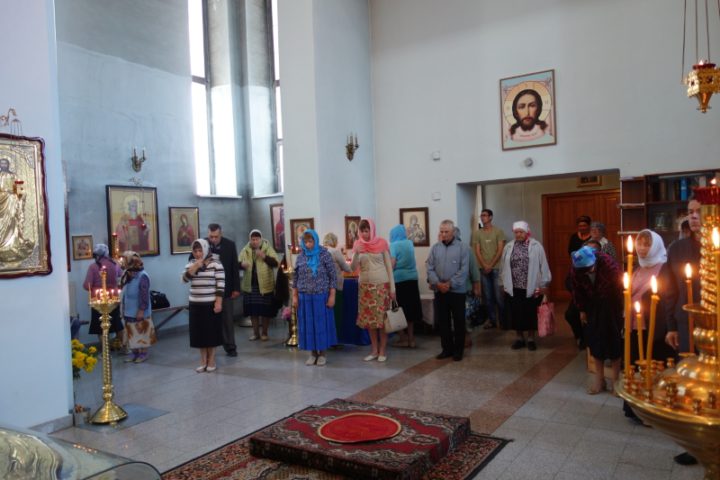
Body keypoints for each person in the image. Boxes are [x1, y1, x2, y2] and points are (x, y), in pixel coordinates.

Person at [661, 198, 702, 466]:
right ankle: (696, 444)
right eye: (690, 212)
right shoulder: (677, 249)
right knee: (691, 385)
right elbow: (670, 290)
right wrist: (671, 326)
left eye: (700, 211)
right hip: (686, 325)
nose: (694, 216)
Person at [623, 229, 674, 422]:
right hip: (633, 326)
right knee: (634, 367)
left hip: (653, 328)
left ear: (656, 246)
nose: (642, 248)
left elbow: (667, 299)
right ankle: (634, 410)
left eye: (647, 244)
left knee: (652, 368)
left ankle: (651, 412)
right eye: (640, 243)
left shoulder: (663, 268)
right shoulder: (637, 267)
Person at [569, 246, 623, 394]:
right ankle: (600, 380)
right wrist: (582, 310)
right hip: (591, 305)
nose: (588, 272)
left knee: (613, 341)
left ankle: (616, 381)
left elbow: (619, 289)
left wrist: (621, 310)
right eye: (584, 271)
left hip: (611, 304)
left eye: (590, 269)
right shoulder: (576, 267)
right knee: (595, 341)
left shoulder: (609, 264)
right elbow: (577, 290)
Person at [500, 221, 551, 351]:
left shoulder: (536, 246)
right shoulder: (509, 246)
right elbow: (503, 266)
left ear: (527, 232)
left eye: (521, 232)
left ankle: (531, 338)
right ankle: (519, 338)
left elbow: (543, 264)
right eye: (516, 232)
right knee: (516, 313)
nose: (518, 234)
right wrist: (502, 282)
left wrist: (544, 283)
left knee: (530, 313)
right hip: (514, 286)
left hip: (532, 286)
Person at [351, 218, 395, 362]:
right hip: (365, 287)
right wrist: (356, 253)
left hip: (381, 286)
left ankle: (382, 350)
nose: (365, 234)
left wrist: (392, 289)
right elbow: (352, 268)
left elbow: (389, 267)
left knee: (381, 321)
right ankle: (374, 350)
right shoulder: (357, 245)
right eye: (362, 231)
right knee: (370, 321)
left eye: (367, 231)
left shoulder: (382, 243)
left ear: (372, 230)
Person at [293, 229, 338, 366]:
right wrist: (295, 296)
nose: (308, 244)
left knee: (320, 325)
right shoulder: (301, 256)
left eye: (310, 241)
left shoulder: (324, 254)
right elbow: (295, 278)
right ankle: (313, 353)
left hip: (321, 296)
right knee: (309, 326)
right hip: (305, 297)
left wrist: (332, 295)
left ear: (315, 240)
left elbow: (333, 276)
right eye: (305, 242)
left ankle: (322, 353)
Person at [427, 220, 470, 361]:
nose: (444, 234)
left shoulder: (463, 247)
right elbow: (430, 268)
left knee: (458, 321)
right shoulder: (435, 248)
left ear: (453, 232)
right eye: (442, 231)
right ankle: (446, 349)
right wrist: (438, 283)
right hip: (440, 291)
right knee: (443, 321)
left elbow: (464, 270)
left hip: (457, 291)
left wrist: (449, 284)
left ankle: (458, 351)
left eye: (446, 231)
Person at [183, 239, 224, 372]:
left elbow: (220, 285)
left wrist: (218, 302)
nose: (198, 254)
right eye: (195, 251)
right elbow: (184, 279)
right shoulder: (191, 264)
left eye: (200, 250)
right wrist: (195, 266)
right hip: (195, 304)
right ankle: (202, 360)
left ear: (206, 250)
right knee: (199, 334)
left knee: (210, 334)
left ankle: (211, 360)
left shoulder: (216, 263)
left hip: (210, 304)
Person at [206, 223, 241, 356]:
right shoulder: (203, 244)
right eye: (211, 236)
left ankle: (230, 347)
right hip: (208, 289)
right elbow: (192, 259)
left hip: (226, 288)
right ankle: (210, 347)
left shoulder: (230, 245)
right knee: (209, 320)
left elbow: (234, 267)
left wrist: (236, 288)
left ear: (221, 234)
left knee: (227, 320)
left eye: (216, 236)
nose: (213, 239)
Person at [239, 229, 279, 341]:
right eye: (253, 239)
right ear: (250, 240)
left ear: (261, 239)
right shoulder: (245, 250)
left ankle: (264, 333)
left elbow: (276, 263)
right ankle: (256, 333)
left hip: (265, 285)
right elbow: (237, 263)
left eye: (257, 239)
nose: (255, 241)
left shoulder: (267, 248)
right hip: (250, 286)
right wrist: (242, 264)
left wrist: (264, 256)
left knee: (265, 311)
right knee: (253, 311)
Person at [389, 224, 422, 349]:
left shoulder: (393, 245)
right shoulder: (409, 243)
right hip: (412, 279)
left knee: (398, 310)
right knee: (411, 310)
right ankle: (411, 340)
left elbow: (392, 264)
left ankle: (402, 338)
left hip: (399, 280)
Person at [83, 244, 124, 345]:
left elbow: (87, 285)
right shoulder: (115, 265)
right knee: (117, 324)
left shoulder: (93, 267)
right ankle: (124, 347)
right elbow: (121, 277)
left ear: (96, 255)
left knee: (100, 326)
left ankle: (106, 349)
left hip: (99, 300)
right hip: (113, 298)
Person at [119, 250, 156, 363]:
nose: (122, 262)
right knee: (132, 331)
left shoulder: (143, 276)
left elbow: (144, 295)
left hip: (139, 309)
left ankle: (143, 353)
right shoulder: (128, 274)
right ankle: (134, 353)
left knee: (142, 332)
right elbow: (123, 288)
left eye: (124, 260)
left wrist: (141, 310)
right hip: (129, 309)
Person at [471, 209, 505, 329]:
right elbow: (477, 251)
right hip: (483, 269)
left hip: (496, 268)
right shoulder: (477, 233)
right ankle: (492, 320)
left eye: (485, 215)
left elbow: (500, 250)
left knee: (499, 297)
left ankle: (503, 321)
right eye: (481, 215)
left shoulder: (498, 231)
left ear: (490, 217)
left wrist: (491, 265)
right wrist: (484, 265)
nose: (482, 217)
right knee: (487, 297)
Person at [0, 157, 34, 262]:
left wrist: (19, 194)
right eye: (2, 163)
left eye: (5, 163)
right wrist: (6, 191)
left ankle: (12, 243)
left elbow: (19, 191)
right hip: (2, 201)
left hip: (12, 201)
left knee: (12, 219)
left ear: (8, 164)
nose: (4, 165)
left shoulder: (14, 176)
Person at [322, 232, 352, 343]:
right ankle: (335, 340)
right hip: (336, 287)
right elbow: (347, 268)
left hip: (323, 288)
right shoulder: (335, 251)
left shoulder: (321, 251)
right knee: (336, 314)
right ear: (334, 241)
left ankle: (326, 339)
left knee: (326, 315)